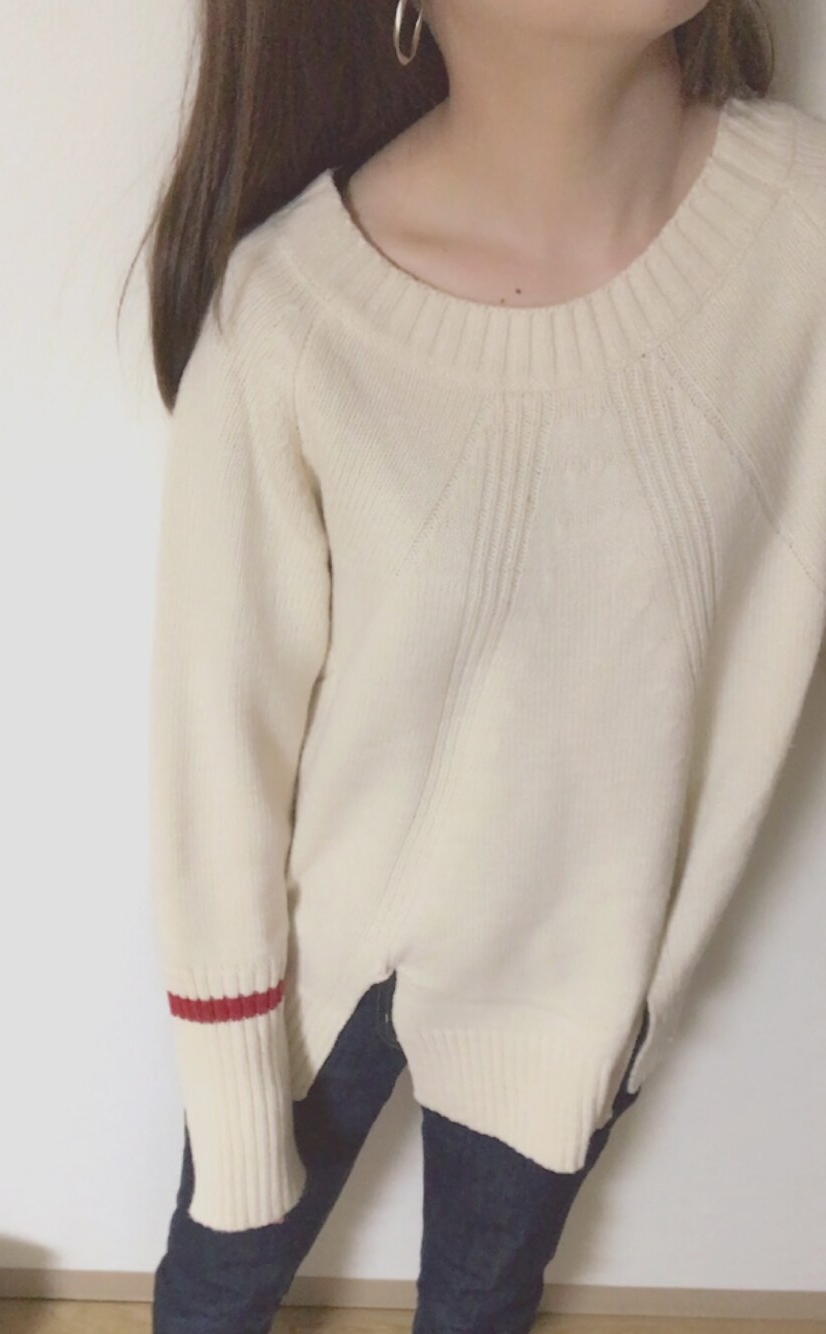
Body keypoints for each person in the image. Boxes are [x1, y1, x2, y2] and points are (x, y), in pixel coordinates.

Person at [136, 2, 826, 1330]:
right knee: (218, 1288)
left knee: (485, 1304)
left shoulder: (800, 231)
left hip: (584, 980)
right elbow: (216, 752)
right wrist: (231, 1084)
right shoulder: (291, 319)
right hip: (324, 961)